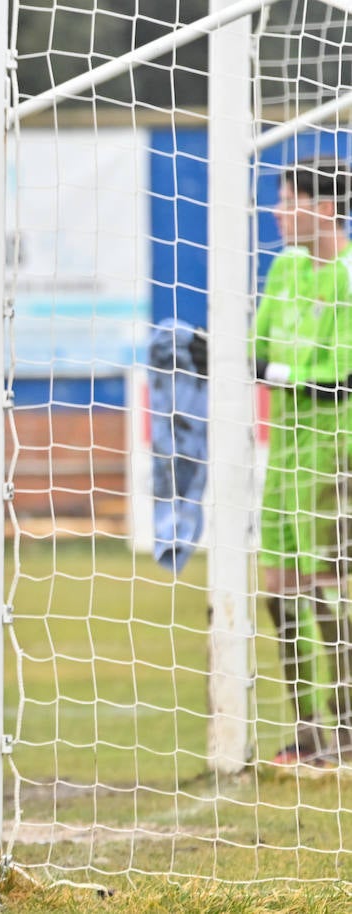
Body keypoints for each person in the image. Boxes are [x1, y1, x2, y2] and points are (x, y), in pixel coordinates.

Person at [252, 156, 352, 769]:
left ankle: (344, 723)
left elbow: (338, 379)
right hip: (283, 451)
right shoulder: (285, 268)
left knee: (327, 590)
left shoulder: (345, 275)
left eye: (286, 200)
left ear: (321, 207)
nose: (276, 212)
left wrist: (276, 374)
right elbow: (253, 353)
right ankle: (305, 727)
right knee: (277, 589)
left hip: (334, 449)